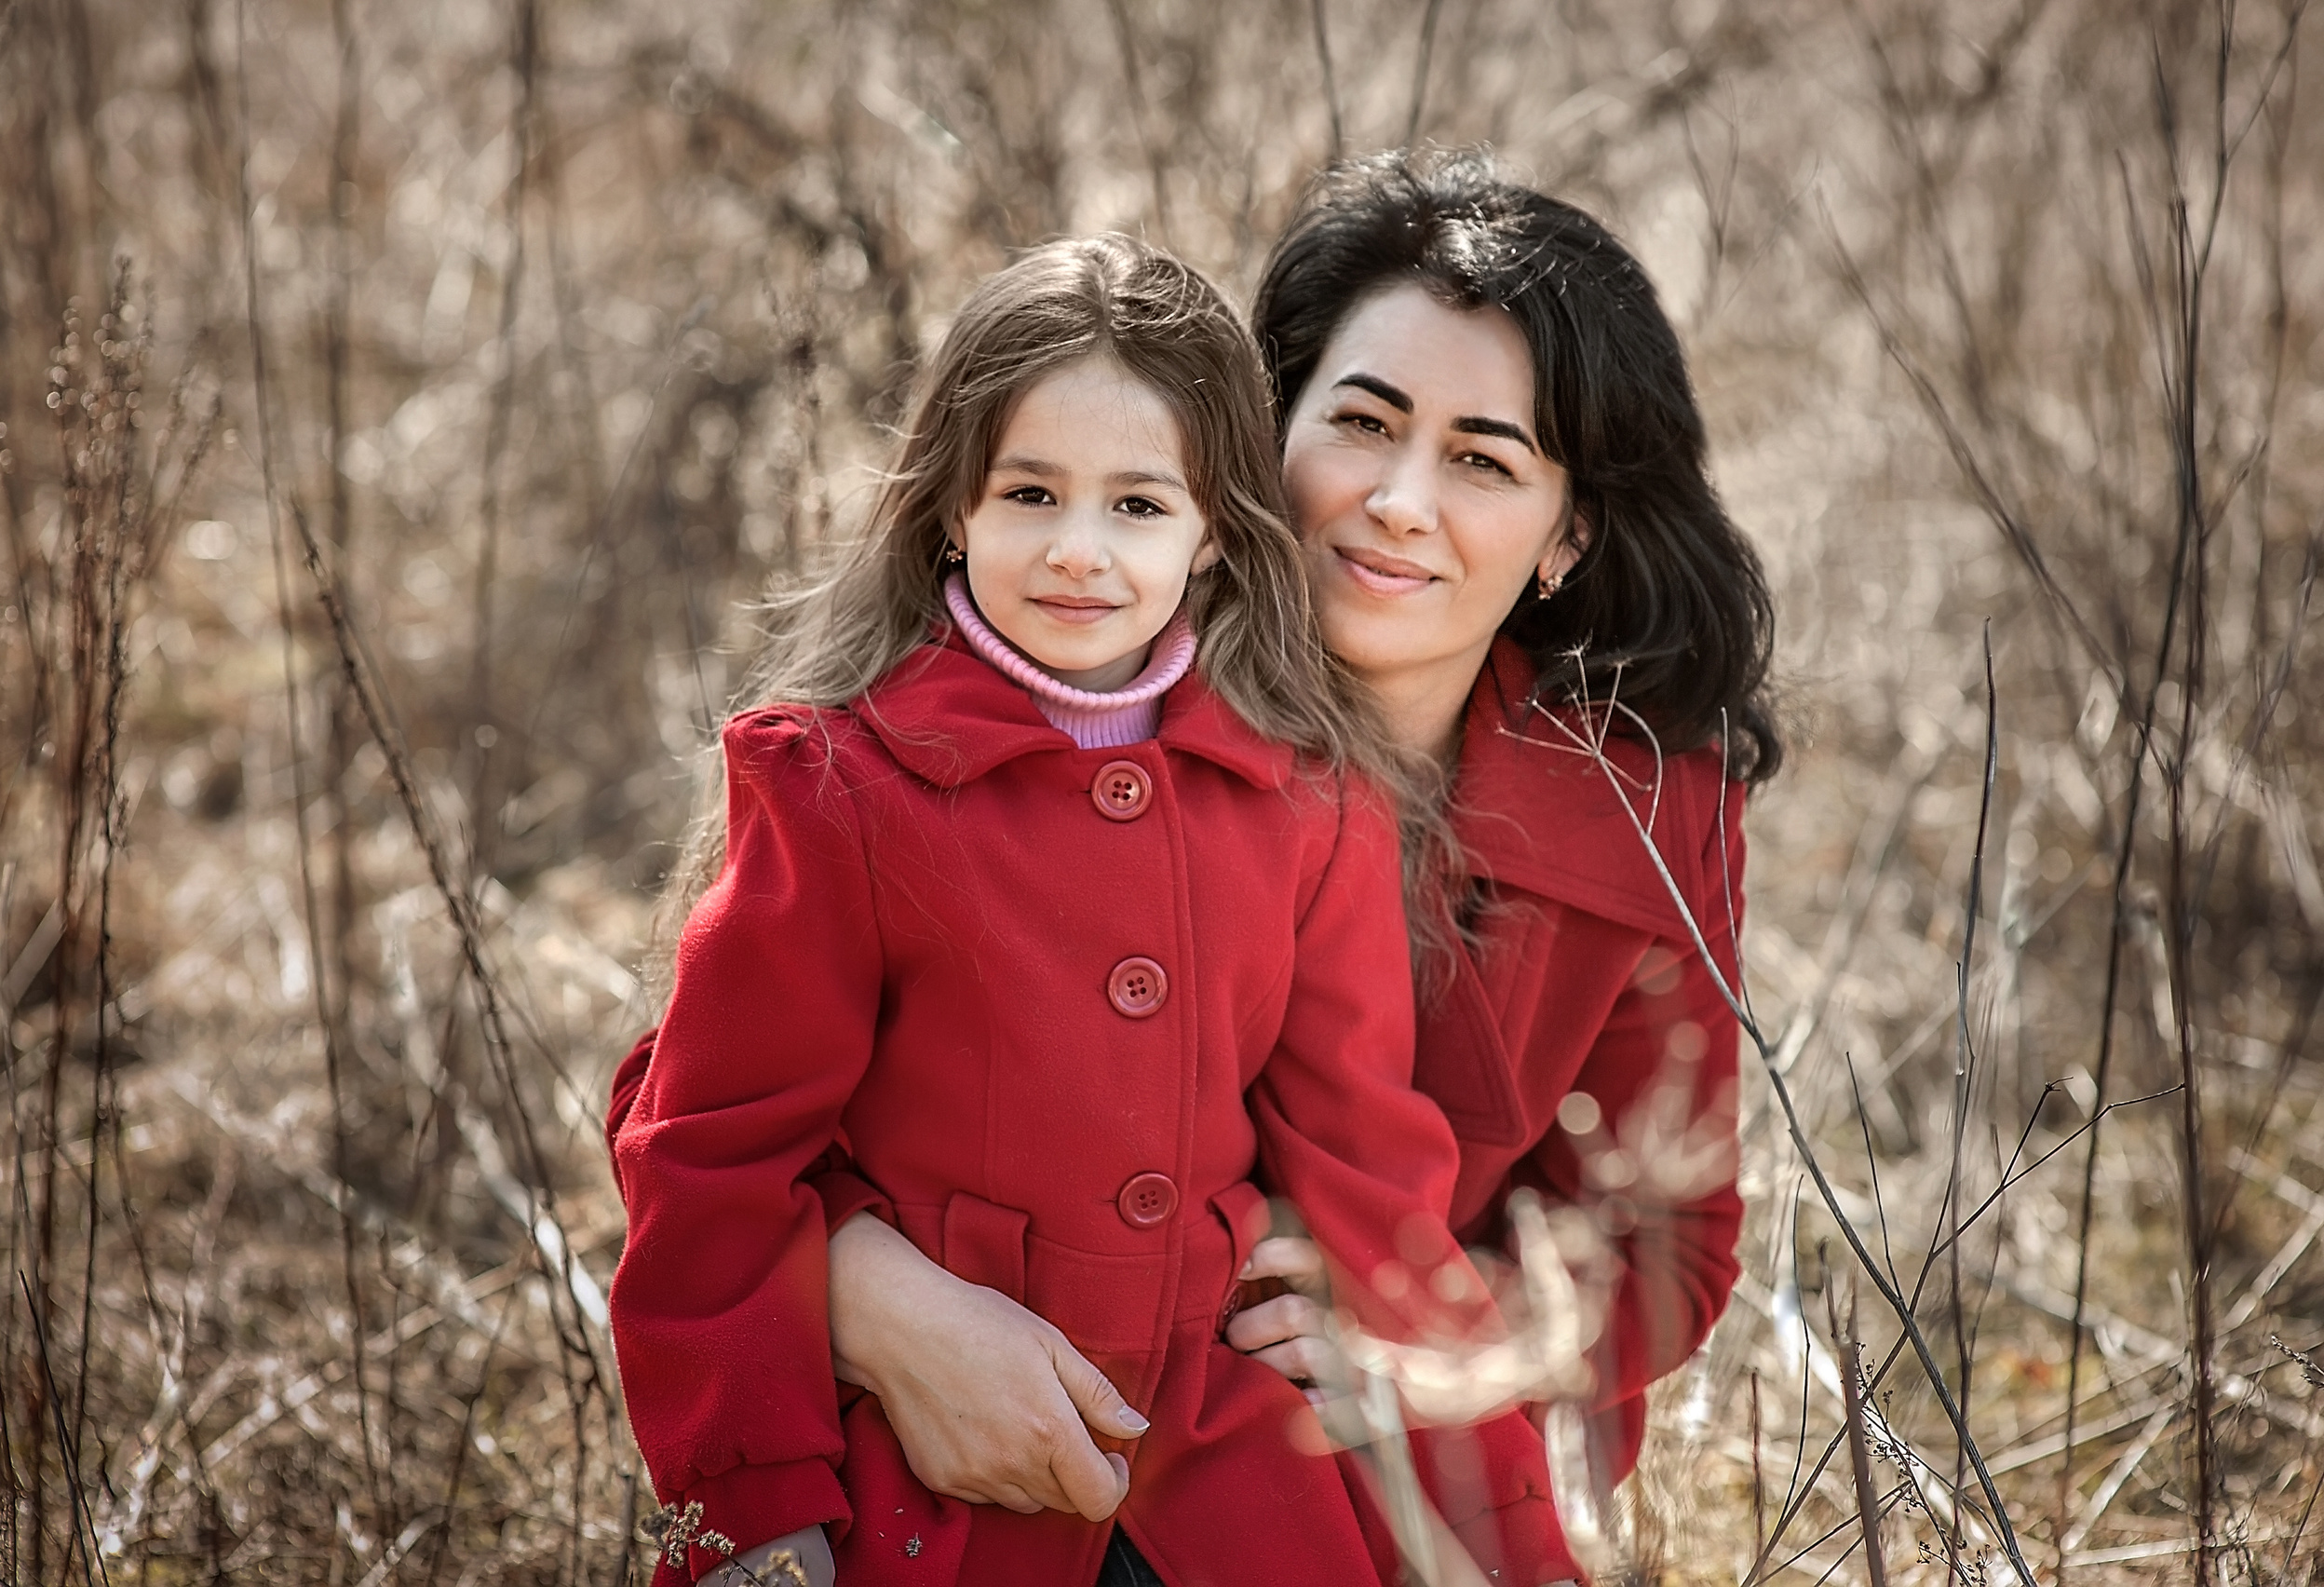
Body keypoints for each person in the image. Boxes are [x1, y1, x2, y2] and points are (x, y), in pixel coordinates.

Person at [751, 150, 1780, 1583]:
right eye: (1360, 422)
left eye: (1483, 459)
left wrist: (1454, 1323)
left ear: (1569, 535)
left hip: (1400, 1471)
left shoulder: (1641, 811)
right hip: (1002, 1423)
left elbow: (1670, 1244)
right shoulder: (1049, 690)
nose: (1398, 501)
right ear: (1263, 433)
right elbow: (695, 1099)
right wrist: (875, 1297)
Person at [608, 232, 1568, 1587]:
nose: (1078, 551)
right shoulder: (842, 785)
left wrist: (1504, 1528)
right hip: (921, 1481)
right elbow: (708, 1153)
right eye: (1030, 494)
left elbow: (1368, 1173)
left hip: (1228, 1468)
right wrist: (751, 1517)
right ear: (952, 508)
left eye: (1136, 505)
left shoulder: (1309, 797)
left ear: (1217, 531)